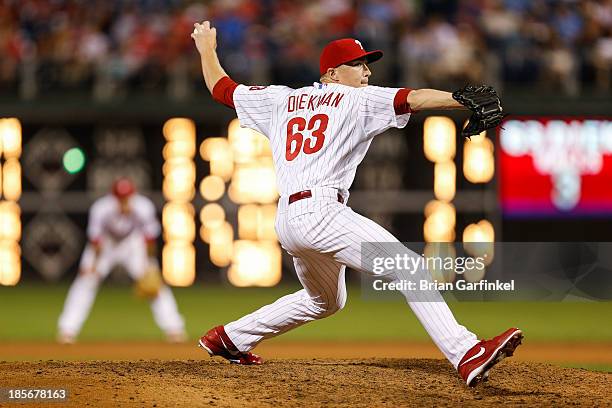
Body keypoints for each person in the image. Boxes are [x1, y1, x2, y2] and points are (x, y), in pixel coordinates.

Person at [191, 21, 521, 387]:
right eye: (357, 64)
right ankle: (466, 352)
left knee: (325, 301)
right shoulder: (357, 98)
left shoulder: (280, 99)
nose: (366, 71)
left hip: (287, 220)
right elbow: (412, 98)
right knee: (408, 267)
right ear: (332, 73)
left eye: (367, 64)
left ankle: (231, 337)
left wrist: (206, 46)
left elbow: (222, 89)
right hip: (322, 213)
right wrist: (459, 99)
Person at [57, 177, 186, 344]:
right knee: (85, 281)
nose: (124, 201)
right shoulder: (102, 208)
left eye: (127, 197)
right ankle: (67, 330)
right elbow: (96, 240)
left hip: (132, 244)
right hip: (106, 245)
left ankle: (174, 329)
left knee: (155, 284)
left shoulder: (143, 206)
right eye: (121, 197)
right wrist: (93, 266)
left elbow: (149, 239)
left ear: (133, 195)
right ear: (114, 197)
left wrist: (149, 265)